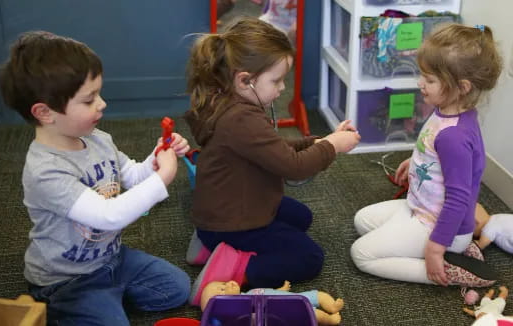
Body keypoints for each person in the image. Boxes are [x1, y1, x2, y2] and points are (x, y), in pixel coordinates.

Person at [0, 31, 191, 325]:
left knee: (177, 288)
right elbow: (108, 216)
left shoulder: (97, 139)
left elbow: (134, 175)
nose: (102, 104)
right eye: (88, 100)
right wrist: (163, 177)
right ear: (45, 112)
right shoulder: (45, 171)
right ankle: (74, 307)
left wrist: (157, 156)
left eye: (98, 94)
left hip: (111, 258)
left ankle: (106, 299)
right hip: (67, 280)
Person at [184, 17, 361, 305]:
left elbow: (269, 149)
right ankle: (230, 269)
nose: (281, 89)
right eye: (276, 80)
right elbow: (293, 166)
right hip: (234, 220)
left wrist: (314, 143)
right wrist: (332, 146)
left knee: (301, 217)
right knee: (309, 257)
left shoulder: (226, 101)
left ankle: (210, 242)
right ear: (244, 79)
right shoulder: (242, 118)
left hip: (226, 207)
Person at [350, 24, 503, 287]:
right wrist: (416, 162)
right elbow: (438, 156)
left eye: (430, 80)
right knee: (362, 220)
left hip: (442, 226)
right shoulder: (449, 110)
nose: (420, 84)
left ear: (462, 87)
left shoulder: (454, 136)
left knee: (361, 254)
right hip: (420, 208)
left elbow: (458, 198)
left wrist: (434, 248)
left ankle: (445, 270)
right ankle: (451, 252)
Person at [200, 280, 344, 325]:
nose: (228, 285)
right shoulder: (240, 313)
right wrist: (233, 301)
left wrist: (280, 290)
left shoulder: (250, 292)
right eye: (223, 291)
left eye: (223, 284)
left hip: (293, 296)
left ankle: (331, 306)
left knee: (318, 295)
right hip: (290, 310)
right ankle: (330, 320)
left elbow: (266, 291)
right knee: (314, 313)